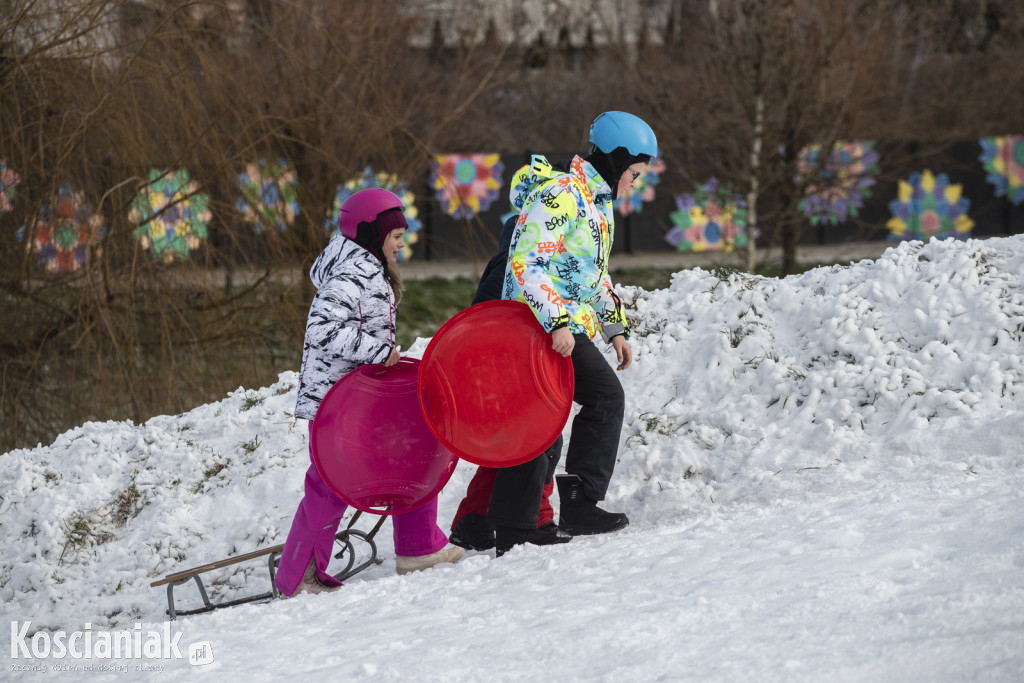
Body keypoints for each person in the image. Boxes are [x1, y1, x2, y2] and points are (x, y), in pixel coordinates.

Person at [276, 188, 464, 597]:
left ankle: (419, 548)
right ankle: (300, 576)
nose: (401, 242)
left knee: (410, 455)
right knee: (332, 482)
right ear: (370, 233)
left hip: (361, 395)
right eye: (395, 234)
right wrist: (378, 351)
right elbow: (322, 329)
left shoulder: (364, 264)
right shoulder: (353, 273)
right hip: (339, 402)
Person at [485, 111, 658, 555]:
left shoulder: (595, 204)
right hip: (533, 324)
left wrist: (614, 326)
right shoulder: (563, 194)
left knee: (546, 416)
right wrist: (556, 321)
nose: (635, 183)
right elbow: (526, 261)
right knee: (600, 398)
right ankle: (563, 509)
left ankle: (521, 522)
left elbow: (593, 277)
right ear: (618, 161)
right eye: (635, 173)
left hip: (559, 322)